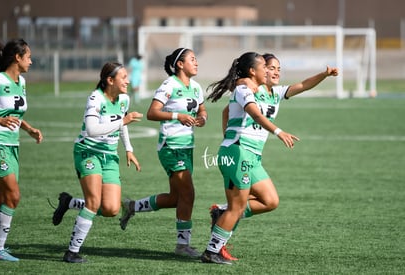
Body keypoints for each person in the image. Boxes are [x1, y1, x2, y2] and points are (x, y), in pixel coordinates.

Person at [203, 52, 339, 264]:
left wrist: (324, 74)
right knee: (237, 207)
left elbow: (303, 85)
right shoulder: (246, 88)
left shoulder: (275, 93)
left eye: (277, 68)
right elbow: (236, 113)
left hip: (252, 156)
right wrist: (276, 132)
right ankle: (212, 251)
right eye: (269, 67)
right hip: (239, 153)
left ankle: (221, 213)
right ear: (258, 70)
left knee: (270, 201)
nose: (274, 71)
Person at [119, 47, 207, 258]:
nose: (196, 63)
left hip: (187, 147)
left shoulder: (195, 87)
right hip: (171, 147)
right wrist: (178, 116)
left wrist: (203, 118)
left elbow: (202, 109)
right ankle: (182, 245)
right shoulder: (169, 85)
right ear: (180, 64)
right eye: (192, 59)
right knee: (189, 194)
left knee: (177, 198)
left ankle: (132, 206)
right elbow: (152, 112)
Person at [56, 62, 143, 263]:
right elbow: (92, 129)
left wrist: (129, 149)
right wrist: (123, 121)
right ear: (109, 80)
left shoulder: (124, 99)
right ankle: (72, 252)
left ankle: (69, 202)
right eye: (123, 77)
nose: (128, 81)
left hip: (110, 156)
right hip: (88, 152)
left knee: (111, 209)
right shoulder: (95, 98)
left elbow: (122, 125)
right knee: (94, 203)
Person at [0, 34, 43, 262]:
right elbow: (3, 117)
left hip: (13, 144)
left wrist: (29, 128)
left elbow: (14, 115)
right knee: (13, 195)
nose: (31, 61)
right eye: (28, 57)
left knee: (4, 199)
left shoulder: (20, 83)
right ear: (17, 57)